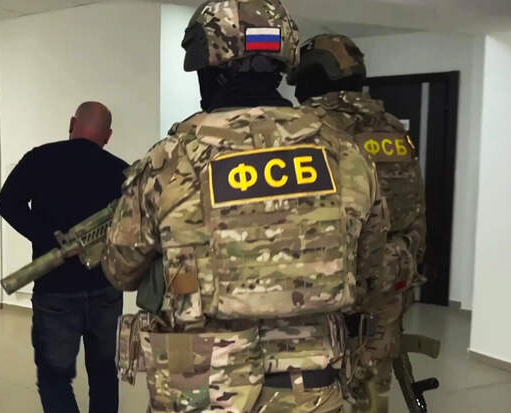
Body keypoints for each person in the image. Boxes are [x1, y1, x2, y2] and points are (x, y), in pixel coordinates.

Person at [103, 2, 388, 412]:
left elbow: (121, 269)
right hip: (309, 381)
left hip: (200, 383)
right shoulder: (343, 152)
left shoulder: (171, 159)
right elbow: (370, 265)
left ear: (209, 68)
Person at [290, 34, 427, 413]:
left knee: (316, 392)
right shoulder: (393, 128)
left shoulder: (311, 129)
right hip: (390, 283)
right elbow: (416, 209)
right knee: (372, 391)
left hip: (331, 292)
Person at [0, 101, 128, 413]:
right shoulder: (121, 170)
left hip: (55, 289)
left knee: (55, 378)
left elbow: (7, 203)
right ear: (108, 136)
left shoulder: (39, 158)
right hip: (106, 288)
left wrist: (48, 235)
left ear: (72, 123)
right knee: (104, 373)